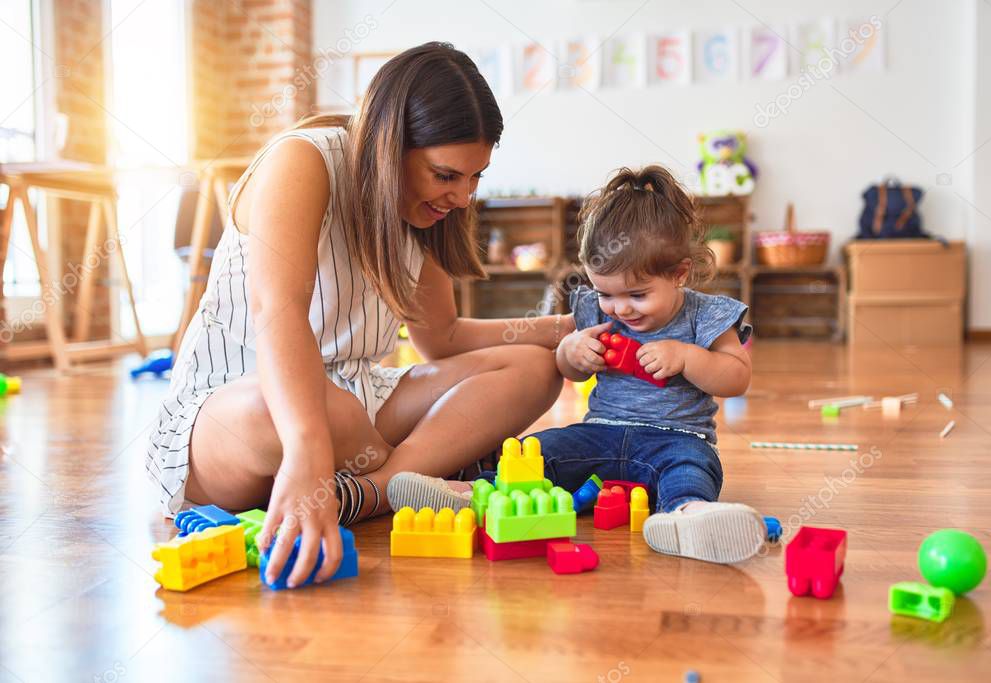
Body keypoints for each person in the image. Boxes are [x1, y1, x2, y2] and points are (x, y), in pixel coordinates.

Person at [146, 43, 566, 588]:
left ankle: (382, 485)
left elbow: (441, 338)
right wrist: (306, 449)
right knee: (331, 412)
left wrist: (558, 330)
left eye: (475, 177)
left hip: (357, 410)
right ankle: (411, 475)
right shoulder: (303, 161)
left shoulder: (428, 210)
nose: (463, 197)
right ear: (392, 145)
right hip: (235, 416)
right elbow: (279, 312)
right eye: (446, 175)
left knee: (534, 366)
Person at [393, 165, 764, 563]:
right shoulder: (595, 311)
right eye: (606, 293)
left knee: (692, 469)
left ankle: (686, 516)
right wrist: (572, 352)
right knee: (538, 450)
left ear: (679, 274)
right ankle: (474, 494)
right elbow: (570, 371)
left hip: (676, 438)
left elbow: (736, 377)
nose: (620, 308)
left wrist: (688, 357)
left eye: (637, 295)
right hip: (599, 433)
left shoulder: (705, 314)